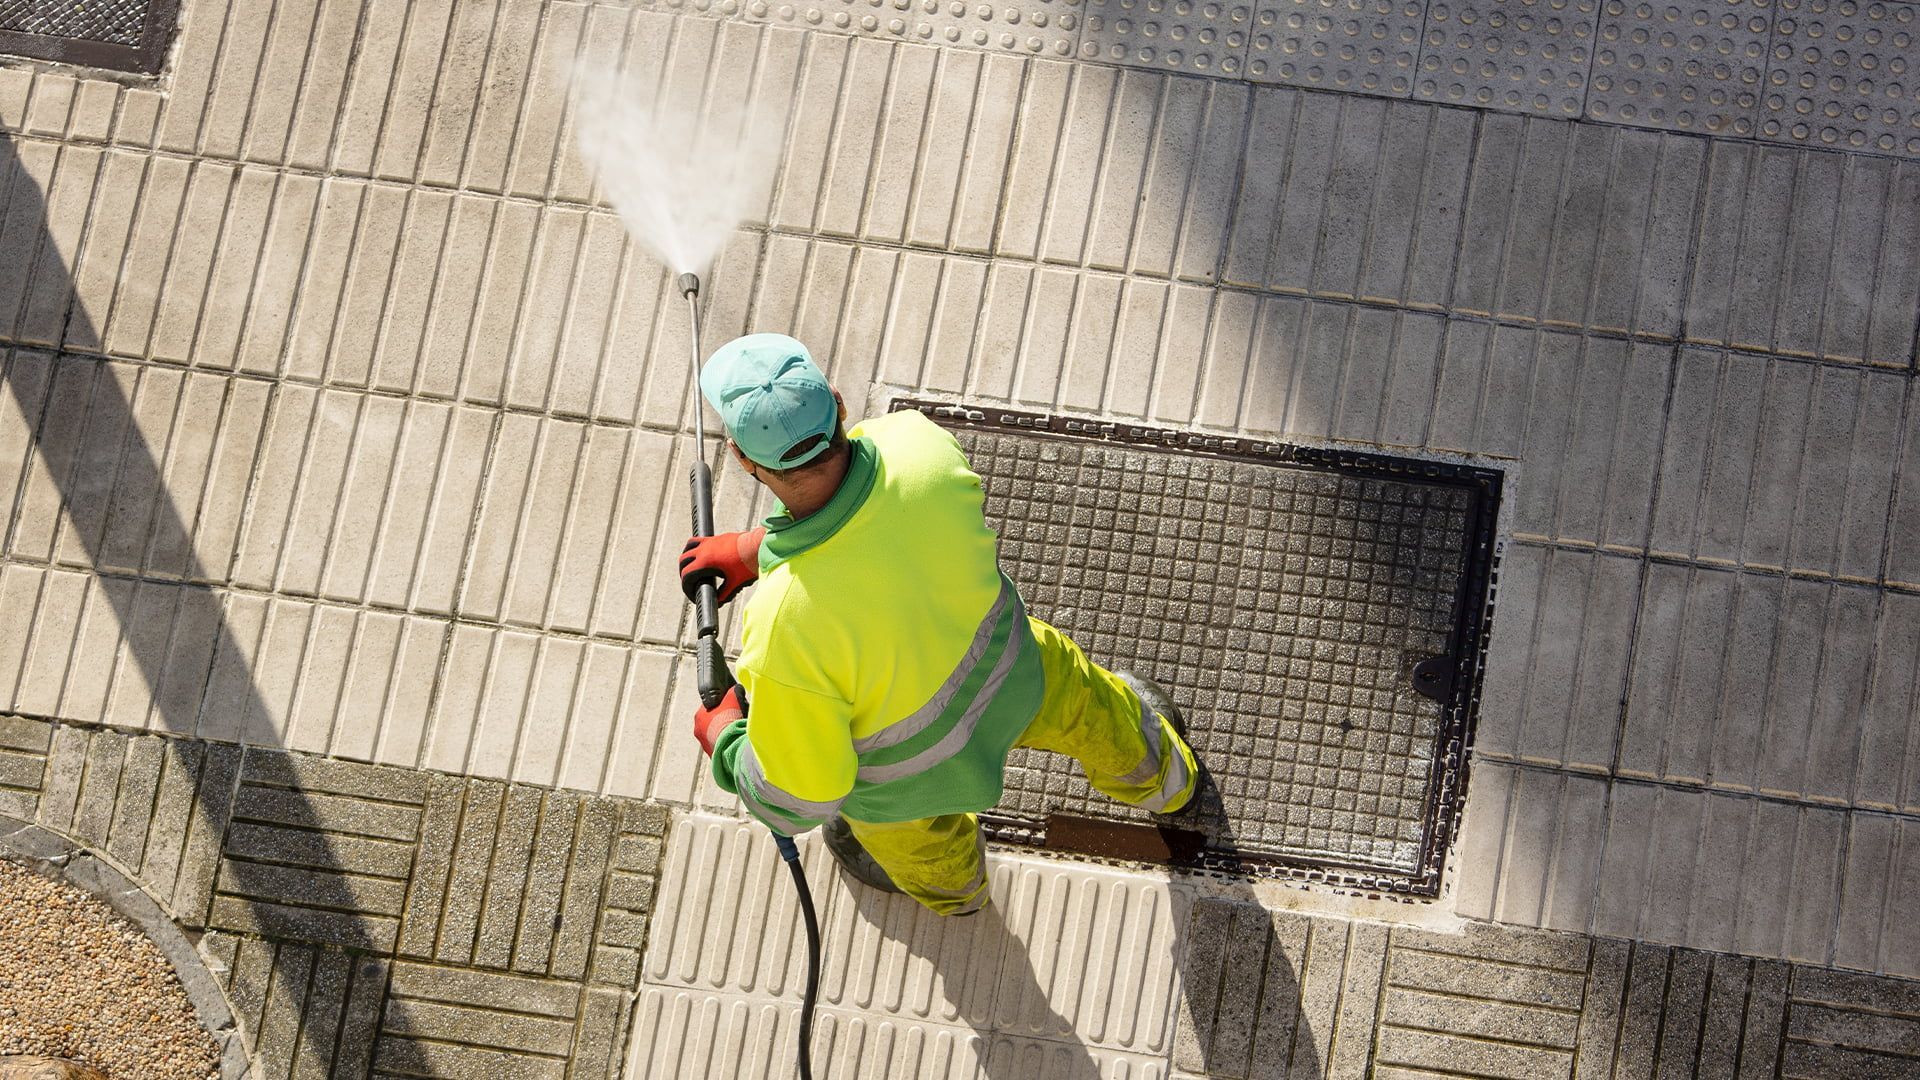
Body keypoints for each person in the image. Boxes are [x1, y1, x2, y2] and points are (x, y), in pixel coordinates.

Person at [678, 333, 1199, 916]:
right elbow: (871, 531)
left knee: (926, 852)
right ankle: (1168, 782)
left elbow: (800, 798)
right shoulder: (919, 446)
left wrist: (727, 740)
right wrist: (757, 549)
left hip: (905, 783)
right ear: (840, 403)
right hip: (1016, 671)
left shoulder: (781, 628)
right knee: (1097, 712)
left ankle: (961, 897)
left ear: (743, 460)